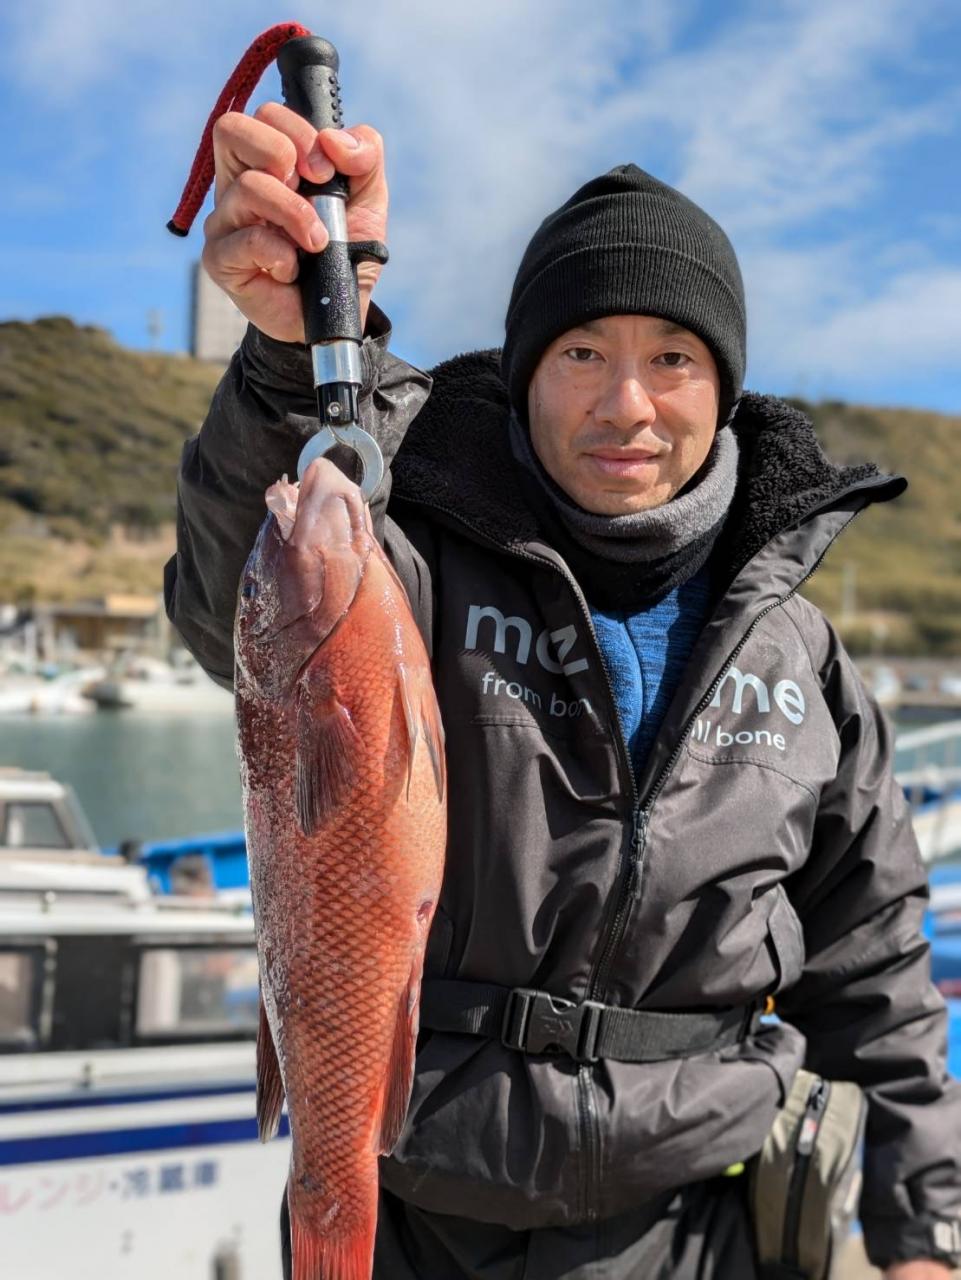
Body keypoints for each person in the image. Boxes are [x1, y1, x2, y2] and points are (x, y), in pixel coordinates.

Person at [164, 103, 961, 1279]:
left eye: (672, 358)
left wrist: (923, 1231)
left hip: (697, 1230)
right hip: (416, 1222)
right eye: (582, 352)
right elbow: (252, 604)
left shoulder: (802, 656)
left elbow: (873, 960)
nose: (625, 403)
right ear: (524, 373)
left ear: (724, 385)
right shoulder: (410, 562)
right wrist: (295, 350)